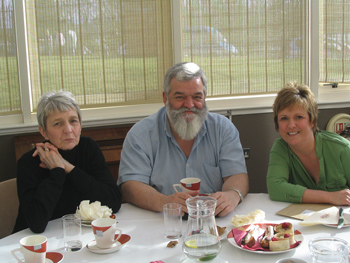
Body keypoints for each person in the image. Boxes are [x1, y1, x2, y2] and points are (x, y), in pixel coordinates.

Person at [118, 62, 249, 217]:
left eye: (197, 97)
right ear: (165, 98)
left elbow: (237, 175)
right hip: (162, 221)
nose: (189, 105)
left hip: (214, 221)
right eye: (180, 97)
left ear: (204, 97)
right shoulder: (140, 135)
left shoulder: (224, 129)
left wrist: (233, 194)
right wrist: (164, 201)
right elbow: (130, 185)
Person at [14, 91, 122, 233]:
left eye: (73, 121)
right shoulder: (28, 162)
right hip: (34, 244)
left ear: (80, 125)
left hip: (81, 237)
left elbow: (113, 201)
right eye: (58, 123)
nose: (68, 130)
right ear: (44, 132)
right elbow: (36, 224)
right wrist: (57, 172)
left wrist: (68, 167)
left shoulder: (88, 148)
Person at [267, 82, 350, 205]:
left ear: (312, 121)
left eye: (299, 117)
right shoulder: (281, 147)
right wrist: (330, 197)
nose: (291, 125)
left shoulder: (342, 149)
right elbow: (275, 188)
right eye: (284, 118)